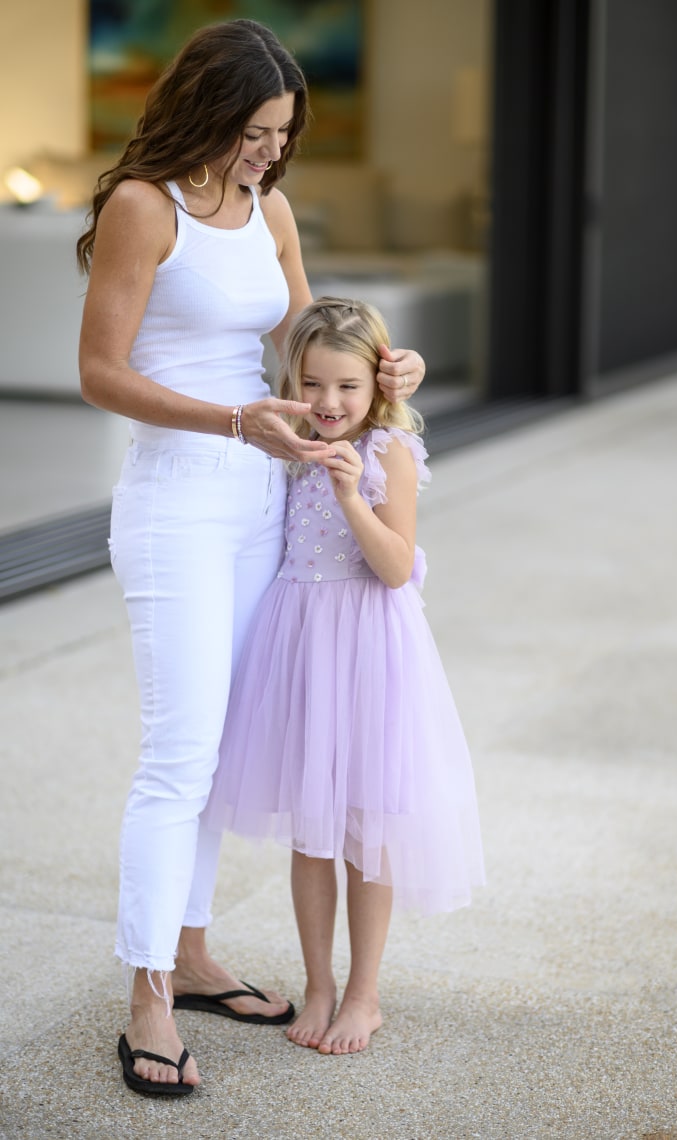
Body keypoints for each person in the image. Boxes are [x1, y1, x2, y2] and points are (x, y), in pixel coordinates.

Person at [76, 20, 425, 1097]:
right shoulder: (146, 206)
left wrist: (378, 368)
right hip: (180, 503)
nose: (271, 151)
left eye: (282, 134)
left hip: (262, 504)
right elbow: (99, 370)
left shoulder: (267, 208)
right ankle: (144, 995)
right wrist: (234, 423)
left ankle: (189, 952)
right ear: (210, 112)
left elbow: (297, 345)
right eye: (256, 131)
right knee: (179, 754)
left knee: (224, 753)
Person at [204, 297, 485, 1056]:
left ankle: (364, 993)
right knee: (311, 829)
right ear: (294, 380)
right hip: (300, 646)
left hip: (368, 650)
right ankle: (319, 982)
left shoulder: (390, 451)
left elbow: (396, 569)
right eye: (315, 385)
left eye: (347, 388)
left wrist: (349, 493)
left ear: (379, 388)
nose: (330, 404)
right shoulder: (283, 444)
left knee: (368, 827)